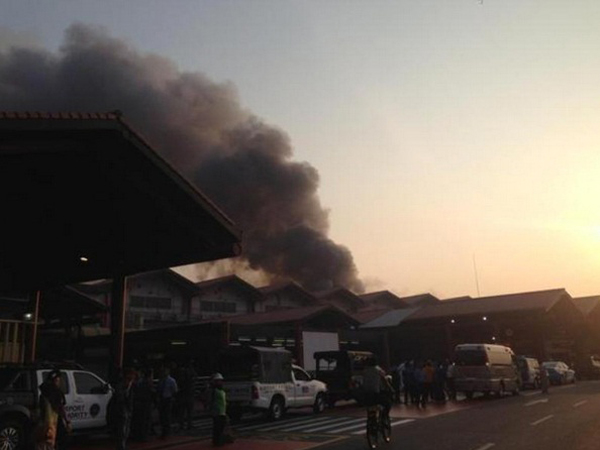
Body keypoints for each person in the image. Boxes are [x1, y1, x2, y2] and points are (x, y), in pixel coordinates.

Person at [39, 370, 71, 450]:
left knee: (44, 441)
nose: (59, 383)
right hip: (54, 420)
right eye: (58, 380)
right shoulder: (56, 392)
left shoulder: (44, 392)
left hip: (43, 420)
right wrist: (67, 421)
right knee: (62, 439)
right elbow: (60, 407)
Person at [111, 368, 136, 450]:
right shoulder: (121, 386)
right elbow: (119, 398)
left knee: (126, 430)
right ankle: (121, 446)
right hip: (121, 411)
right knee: (122, 430)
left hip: (128, 410)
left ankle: (123, 444)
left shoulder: (131, 386)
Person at [208, 373, 233, 447]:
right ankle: (217, 441)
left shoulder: (221, 390)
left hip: (222, 411)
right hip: (217, 412)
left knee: (221, 427)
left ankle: (220, 440)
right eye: (218, 381)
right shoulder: (214, 390)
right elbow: (210, 400)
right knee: (217, 428)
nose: (220, 382)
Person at [131, 368, 156, 442]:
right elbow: (152, 393)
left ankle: (138, 435)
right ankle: (143, 436)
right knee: (145, 420)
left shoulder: (140, 382)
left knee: (139, 420)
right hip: (145, 403)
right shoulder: (148, 382)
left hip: (139, 402)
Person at [157, 367, 178, 439]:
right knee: (162, 415)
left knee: (167, 415)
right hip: (162, 398)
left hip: (168, 398)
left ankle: (167, 431)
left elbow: (175, 390)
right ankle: (163, 430)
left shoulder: (171, 380)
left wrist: (172, 397)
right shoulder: (161, 380)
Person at [176, 361, 197, 431]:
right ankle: (189, 425)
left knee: (182, 411)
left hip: (183, 393)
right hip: (189, 393)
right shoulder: (191, 373)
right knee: (189, 411)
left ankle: (182, 425)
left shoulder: (181, 373)